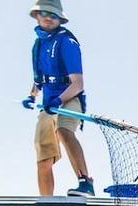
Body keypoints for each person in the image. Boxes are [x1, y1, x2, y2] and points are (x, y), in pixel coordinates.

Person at [21, 0, 94, 196]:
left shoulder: (66, 43)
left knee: (63, 129)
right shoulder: (38, 46)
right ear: (36, 15)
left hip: (69, 99)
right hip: (48, 104)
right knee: (43, 154)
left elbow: (78, 84)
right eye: (44, 13)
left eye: (53, 15)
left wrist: (58, 101)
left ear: (60, 19)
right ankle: (46, 201)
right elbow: (40, 79)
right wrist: (31, 95)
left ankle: (86, 183)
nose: (48, 17)